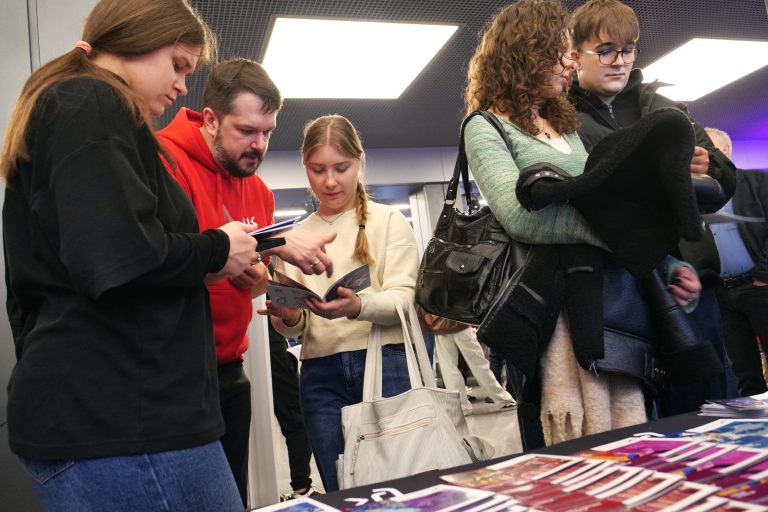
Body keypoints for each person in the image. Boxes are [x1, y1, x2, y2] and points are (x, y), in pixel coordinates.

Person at [0, 1, 259, 510]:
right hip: (121, 419)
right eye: (178, 65)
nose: (184, 85)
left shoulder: (79, 107)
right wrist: (217, 248)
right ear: (137, 40)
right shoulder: (88, 101)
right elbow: (117, 258)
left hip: (118, 415)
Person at [463, 0, 703, 449]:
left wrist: (666, 265)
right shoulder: (486, 126)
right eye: (561, 51)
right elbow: (520, 218)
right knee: (565, 451)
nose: (572, 60)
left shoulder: (562, 123)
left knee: (628, 438)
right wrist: (624, 241)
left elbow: (602, 205)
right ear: (526, 52)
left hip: (608, 302)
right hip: (547, 313)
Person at [156, 58, 332, 506]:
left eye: (268, 132)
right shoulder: (162, 160)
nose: (259, 145)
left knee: (229, 497)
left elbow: (249, 283)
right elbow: (157, 264)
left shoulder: (259, 191)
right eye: (247, 131)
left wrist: (255, 275)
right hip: (170, 374)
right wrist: (236, 260)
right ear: (211, 120)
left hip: (229, 369)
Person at [568, 0, 739, 415]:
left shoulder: (666, 108)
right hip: (618, 287)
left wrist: (707, 164)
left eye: (627, 50)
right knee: (640, 415)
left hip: (688, 280)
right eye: (605, 50)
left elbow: (725, 180)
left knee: (713, 408)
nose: (619, 61)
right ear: (575, 56)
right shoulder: (564, 118)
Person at [260, 114, 419, 492]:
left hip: (386, 362)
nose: (329, 181)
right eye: (318, 170)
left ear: (359, 162)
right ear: (305, 167)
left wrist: (357, 307)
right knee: (341, 488)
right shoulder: (292, 239)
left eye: (341, 168)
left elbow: (405, 299)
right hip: (319, 373)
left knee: (399, 486)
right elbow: (293, 327)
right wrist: (287, 317)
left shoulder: (388, 222)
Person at [705, 127, 768, 397]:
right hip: (723, 294)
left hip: (759, 288)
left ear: (724, 151)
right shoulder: (697, 194)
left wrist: (764, 274)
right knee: (743, 369)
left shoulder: (758, 181)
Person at [422, 312, 516, 415]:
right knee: (480, 365)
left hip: (440, 328)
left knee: (449, 370)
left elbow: (426, 312)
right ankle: (503, 400)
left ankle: (461, 407)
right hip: (461, 324)